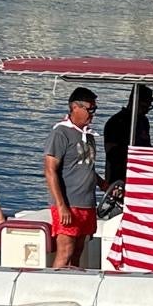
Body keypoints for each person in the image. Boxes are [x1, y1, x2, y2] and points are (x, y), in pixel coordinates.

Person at [44, 87, 105, 268]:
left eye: (95, 109)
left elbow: (85, 168)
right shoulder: (61, 133)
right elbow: (50, 170)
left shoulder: (88, 135)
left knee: (78, 252)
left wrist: (103, 183)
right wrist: (61, 206)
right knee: (65, 251)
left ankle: (72, 285)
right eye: (90, 109)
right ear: (75, 107)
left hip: (87, 203)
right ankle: (52, 287)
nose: (93, 113)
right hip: (69, 203)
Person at [103, 85, 153, 183]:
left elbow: (146, 144)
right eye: (144, 106)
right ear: (134, 101)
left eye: (149, 107)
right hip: (119, 176)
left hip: (140, 173)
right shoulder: (115, 122)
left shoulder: (143, 121)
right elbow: (111, 153)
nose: (146, 111)